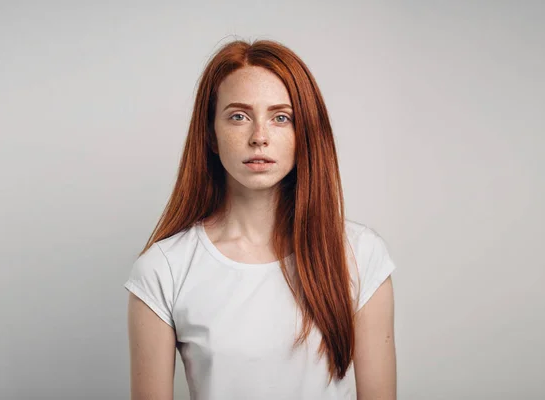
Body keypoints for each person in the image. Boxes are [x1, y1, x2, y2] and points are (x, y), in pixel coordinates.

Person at [124, 39, 397, 400]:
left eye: (281, 117)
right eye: (239, 116)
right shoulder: (163, 270)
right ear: (211, 134)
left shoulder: (361, 257)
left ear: (305, 134)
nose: (259, 137)